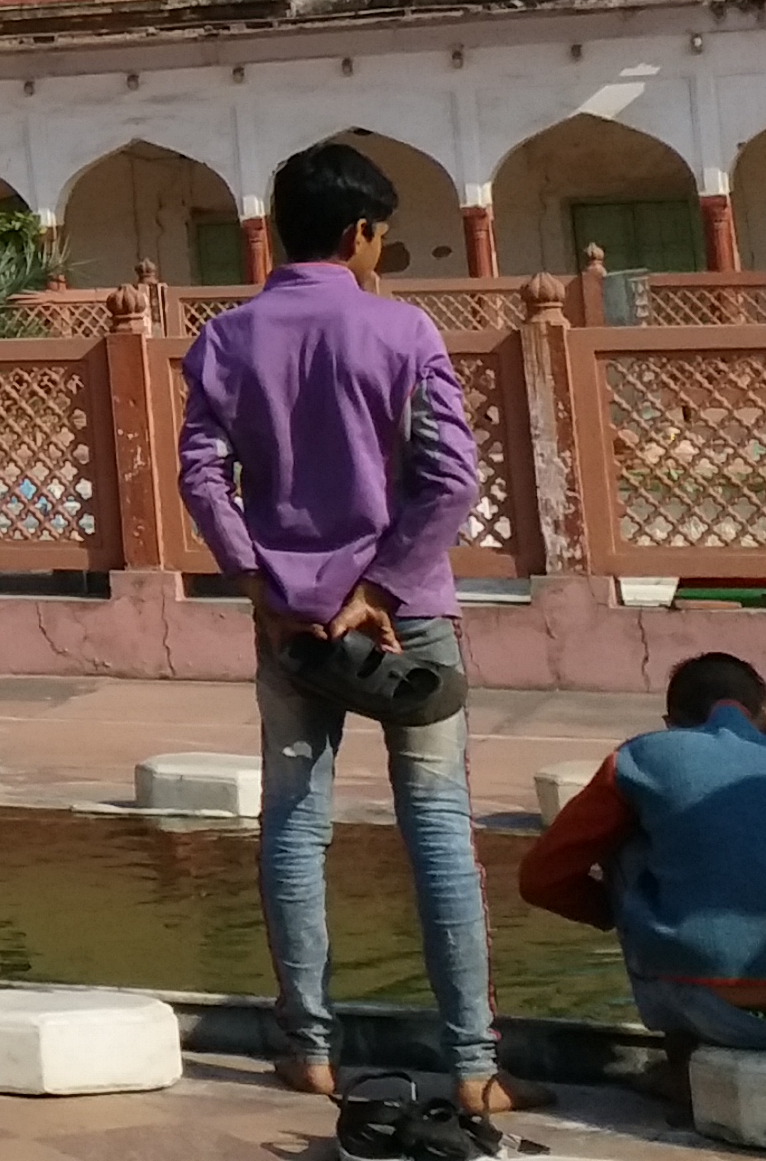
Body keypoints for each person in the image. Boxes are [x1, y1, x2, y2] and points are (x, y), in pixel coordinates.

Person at [176, 140, 499, 1115]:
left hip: (290, 622)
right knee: (439, 827)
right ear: (362, 232)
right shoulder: (404, 333)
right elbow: (452, 479)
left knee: (295, 823)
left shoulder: (228, 338)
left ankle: (309, 1048)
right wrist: (387, 589)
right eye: (381, 240)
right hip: (409, 625)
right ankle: (474, 1066)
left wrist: (257, 581)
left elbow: (202, 474)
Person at [522, 652, 766, 1062]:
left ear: (671, 723)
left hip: (708, 1007)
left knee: (630, 840)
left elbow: (540, 879)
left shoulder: (640, 758)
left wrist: (619, 912)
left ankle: (679, 1065)